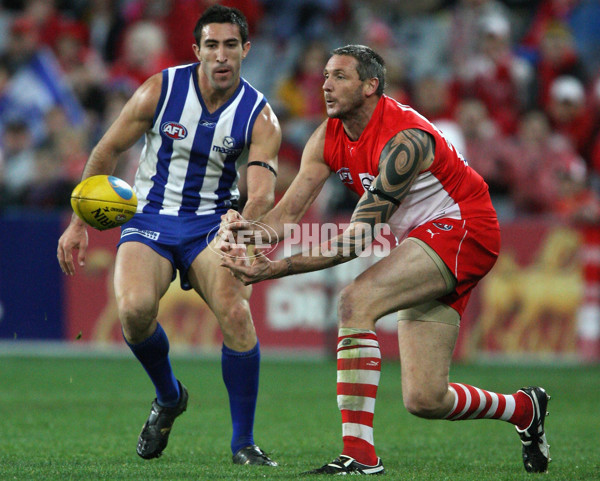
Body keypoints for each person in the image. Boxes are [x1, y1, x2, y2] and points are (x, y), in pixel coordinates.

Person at [220, 45, 550, 475]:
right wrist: (249, 230)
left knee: (356, 301)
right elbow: (287, 214)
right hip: (425, 238)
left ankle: (359, 456)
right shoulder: (328, 136)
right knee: (425, 399)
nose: (325, 84)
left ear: (370, 85)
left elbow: (357, 239)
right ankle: (525, 409)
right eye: (324, 75)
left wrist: (273, 268)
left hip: (465, 228)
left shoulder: (405, 141)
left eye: (339, 76)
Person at [57, 5, 280, 467]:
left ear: (246, 50)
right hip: (150, 218)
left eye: (231, 46)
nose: (221, 56)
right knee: (134, 312)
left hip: (211, 225)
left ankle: (243, 444)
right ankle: (169, 396)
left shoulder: (259, 116)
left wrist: (241, 220)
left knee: (237, 315)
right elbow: (108, 148)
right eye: (212, 46)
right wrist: (78, 221)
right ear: (197, 50)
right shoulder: (161, 89)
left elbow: (261, 191)